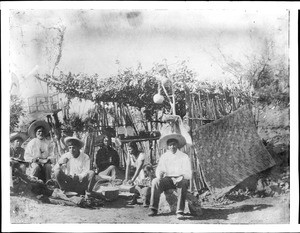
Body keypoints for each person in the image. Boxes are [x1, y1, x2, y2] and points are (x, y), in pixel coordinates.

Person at [148, 136, 192, 220]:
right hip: (168, 179)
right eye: (170, 145)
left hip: (180, 179)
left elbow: (188, 173)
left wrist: (181, 177)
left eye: (174, 144)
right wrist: (159, 174)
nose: (172, 147)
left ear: (177, 145)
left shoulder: (184, 156)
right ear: (167, 146)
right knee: (155, 181)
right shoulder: (164, 156)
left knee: (183, 183)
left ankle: (180, 211)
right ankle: (153, 208)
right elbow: (159, 169)